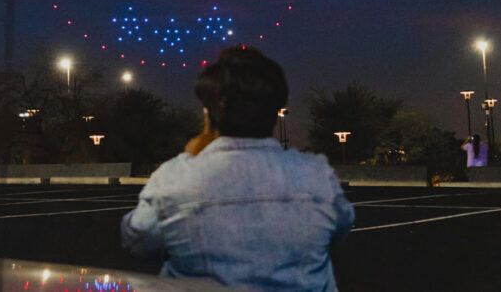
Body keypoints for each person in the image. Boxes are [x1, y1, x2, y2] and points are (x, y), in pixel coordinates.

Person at [121, 46, 355, 291]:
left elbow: (136, 239)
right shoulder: (318, 175)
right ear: (274, 113)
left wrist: (192, 158)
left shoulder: (174, 177)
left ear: (208, 115)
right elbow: (340, 228)